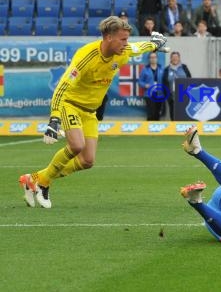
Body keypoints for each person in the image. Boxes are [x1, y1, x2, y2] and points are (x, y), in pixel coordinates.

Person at [18, 18, 169, 208]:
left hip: (90, 112)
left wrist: (154, 44)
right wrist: (54, 118)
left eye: (126, 39)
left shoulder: (122, 52)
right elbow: (62, 87)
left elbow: (139, 47)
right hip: (70, 104)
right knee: (76, 146)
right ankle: (44, 183)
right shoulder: (85, 57)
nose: (126, 44)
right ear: (108, 37)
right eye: (122, 39)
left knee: (87, 161)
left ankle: (33, 179)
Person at [162, 51, 191, 120]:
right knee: (173, 114)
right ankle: (174, 129)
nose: (175, 59)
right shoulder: (166, 69)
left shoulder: (184, 67)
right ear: (171, 59)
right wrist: (167, 96)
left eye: (176, 57)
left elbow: (190, 79)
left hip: (184, 95)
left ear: (179, 58)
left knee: (184, 113)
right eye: (173, 57)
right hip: (172, 97)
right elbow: (164, 83)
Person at [138, 51, 164, 121]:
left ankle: (157, 130)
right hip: (149, 94)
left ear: (157, 58)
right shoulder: (145, 69)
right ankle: (149, 131)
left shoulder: (161, 69)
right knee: (151, 113)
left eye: (154, 57)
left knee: (157, 113)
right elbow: (140, 81)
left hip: (159, 94)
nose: (153, 59)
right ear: (149, 59)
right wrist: (145, 85)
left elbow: (165, 81)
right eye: (151, 57)